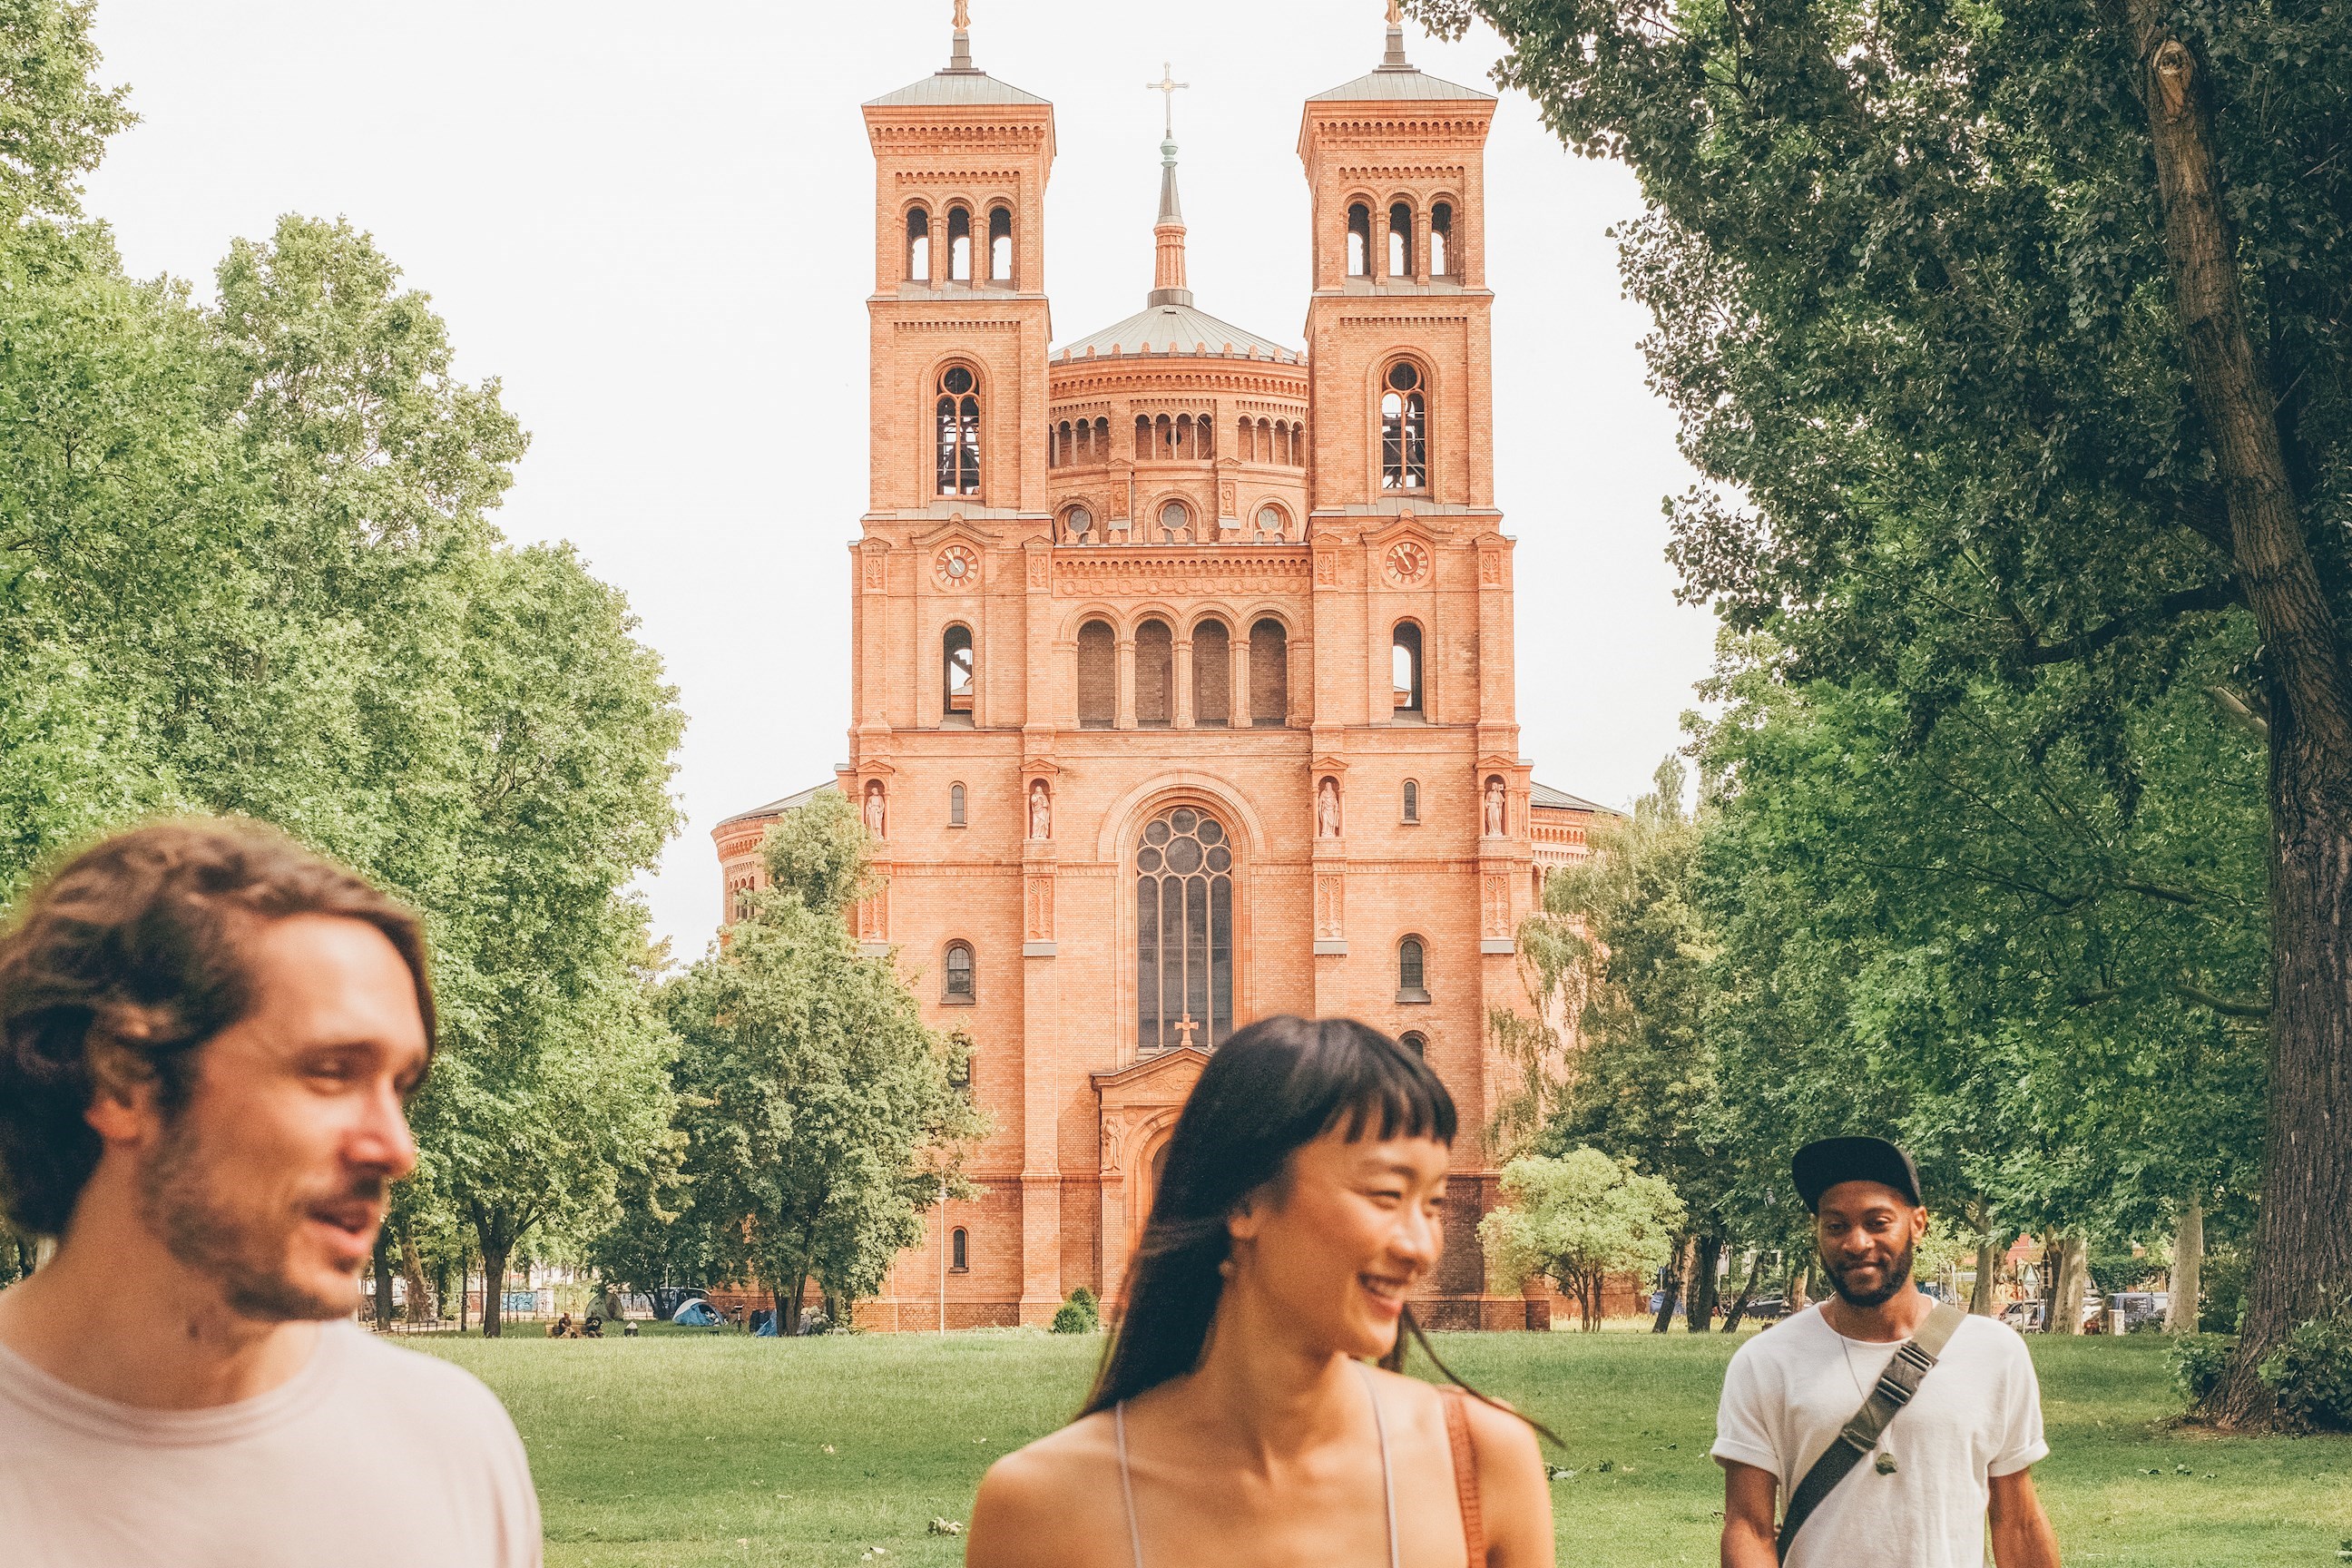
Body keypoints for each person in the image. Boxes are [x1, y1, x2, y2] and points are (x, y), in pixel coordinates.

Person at [0, 820, 542, 1566]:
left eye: (401, 1087)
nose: (395, 1150)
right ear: (124, 1079)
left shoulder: (450, 1446)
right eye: (331, 1071)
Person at [967, 1016, 1553, 1567]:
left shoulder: (1481, 1463)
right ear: (1244, 1201)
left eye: (1435, 1204)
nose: (1421, 1248)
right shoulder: (1039, 1511)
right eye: (1386, 1195)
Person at [1712, 1135, 2061, 1568]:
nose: (1856, 1243)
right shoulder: (1766, 1362)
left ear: (1917, 1223)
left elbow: (2018, 1522)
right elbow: (1749, 1528)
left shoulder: (1994, 1352)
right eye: (1835, 1225)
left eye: (1878, 1222)